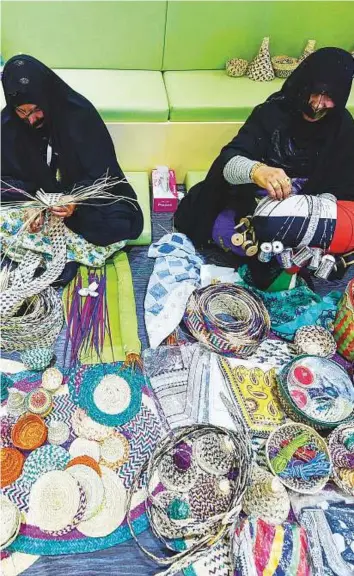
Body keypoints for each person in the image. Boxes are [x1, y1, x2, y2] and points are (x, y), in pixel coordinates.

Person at [175, 48, 354, 286]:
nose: (318, 104)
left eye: (329, 96)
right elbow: (229, 162)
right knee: (235, 236)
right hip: (248, 202)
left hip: (302, 212)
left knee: (308, 254)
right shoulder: (272, 114)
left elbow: (342, 187)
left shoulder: (342, 128)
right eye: (315, 92)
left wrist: (308, 211)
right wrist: (258, 171)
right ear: (303, 83)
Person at [1, 55, 143, 282]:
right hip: (37, 202)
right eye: (22, 112)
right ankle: (63, 254)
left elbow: (103, 173)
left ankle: (51, 254)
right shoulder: (9, 125)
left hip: (80, 202)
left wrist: (75, 201)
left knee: (118, 222)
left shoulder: (79, 115)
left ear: (46, 97)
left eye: (37, 109)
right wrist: (30, 203)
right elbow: (6, 178)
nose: (31, 119)